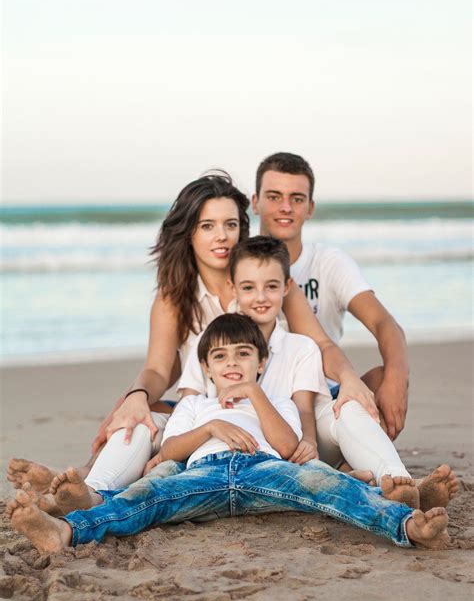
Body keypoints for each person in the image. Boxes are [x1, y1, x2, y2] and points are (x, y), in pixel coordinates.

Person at [7, 172, 378, 498]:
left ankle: (383, 479)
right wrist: (135, 397)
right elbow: (158, 368)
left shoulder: (263, 284)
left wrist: (348, 379)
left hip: (280, 416)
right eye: (207, 226)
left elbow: (321, 343)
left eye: (231, 225)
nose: (222, 237)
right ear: (189, 234)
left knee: (353, 402)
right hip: (210, 412)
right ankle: (87, 485)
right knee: (139, 416)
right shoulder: (175, 295)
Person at [7, 314, 449, 553]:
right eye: (220, 357)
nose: (232, 363)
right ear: (206, 368)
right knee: (140, 502)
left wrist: (255, 394)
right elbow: (172, 451)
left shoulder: (273, 400)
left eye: (244, 354)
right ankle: (62, 533)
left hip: (264, 471)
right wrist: (212, 427)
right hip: (203, 475)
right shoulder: (195, 404)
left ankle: (408, 525)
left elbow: (288, 447)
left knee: (326, 485)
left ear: (261, 363)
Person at [175, 237, 458, 511]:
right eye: (248, 288)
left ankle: (399, 481)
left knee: (348, 409)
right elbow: (189, 410)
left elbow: (305, 410)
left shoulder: (301, 346)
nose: (260, 297)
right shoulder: (211, 345)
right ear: (232, 287)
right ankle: (358, 481)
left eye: (271, 286)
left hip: (296, 443)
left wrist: (309, 441)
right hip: (242, 456)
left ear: (287, 287)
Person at [252, 152, 409, 440]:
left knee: (382, 377)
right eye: (274, 196)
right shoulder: (240, 265)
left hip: (322, 400)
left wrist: (397, 381)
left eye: (296, 199)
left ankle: (352, 467)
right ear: (255, 202)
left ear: (309, 208)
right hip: (259, 406)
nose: (285, 207)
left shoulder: (328, 262)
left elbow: (385, 325)